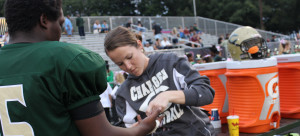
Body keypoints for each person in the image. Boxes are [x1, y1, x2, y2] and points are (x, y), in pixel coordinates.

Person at [1, 0, 162, 135]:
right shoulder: (65, 60)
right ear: (44, 20)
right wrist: (143, 128)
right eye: (60, 23)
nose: (61, 30)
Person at [104, 26, 215, 136]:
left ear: (139, 45)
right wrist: (135, 131)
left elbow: (206, 92)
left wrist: (167, 96)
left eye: (129, 57)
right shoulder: (123, 93)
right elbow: (127, 128)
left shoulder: (170, 62)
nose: (128, 66)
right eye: (120, 64)